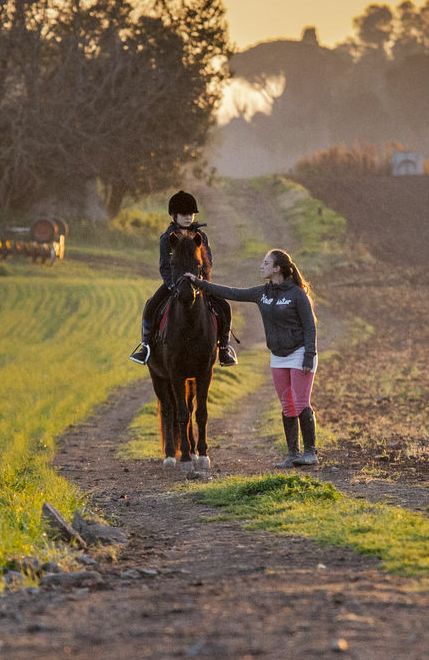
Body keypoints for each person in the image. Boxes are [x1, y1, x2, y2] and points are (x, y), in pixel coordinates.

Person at [185, 248, 319, 465]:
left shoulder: (297, 294)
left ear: (277, 268)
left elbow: (309, 327)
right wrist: (200, 284)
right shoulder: (262, 293)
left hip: (300, 353)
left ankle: (310, 453)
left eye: (266, 263)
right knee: (287, 405)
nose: (261, 266)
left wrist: (308, 356)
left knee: (301, 402)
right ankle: (293, 454)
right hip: (278, 356)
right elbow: (232, 292)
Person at [129, 190, 237, 368]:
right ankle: (146, 346)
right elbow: (164, 266)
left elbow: (207, 262)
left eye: (191, 214)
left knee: (224, 306)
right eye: (184, 214)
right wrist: (173, 285)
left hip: (199, 284)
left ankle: (224, 348)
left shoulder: (201, 237)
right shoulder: (167, 238)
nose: (189, 217)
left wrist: (202, 283)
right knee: (151, 306)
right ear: (174, 215)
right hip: (175, 284)